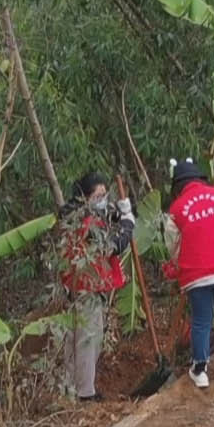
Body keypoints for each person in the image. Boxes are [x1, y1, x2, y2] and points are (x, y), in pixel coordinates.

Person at [163, 160, 214, 388]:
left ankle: (200, 370)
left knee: (201, 320)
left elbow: (173, 245)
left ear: (178, 186)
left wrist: (188, 253)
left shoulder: (176, 209)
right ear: (200, 179)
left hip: (197, 273)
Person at [55, 172, 135, 402]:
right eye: (98, 195)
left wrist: (121, 212)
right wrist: (128, 224)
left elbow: (106, 220)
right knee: (88, 339)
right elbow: (111, 246)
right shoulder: (87, 221)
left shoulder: (73, 216)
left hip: (73, 285)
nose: (102, 199)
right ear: (86, 197)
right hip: (86, 287)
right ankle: (85, 392)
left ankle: (70, 389)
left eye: (104, 195)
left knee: (74, 340)